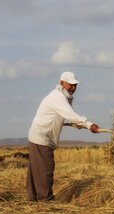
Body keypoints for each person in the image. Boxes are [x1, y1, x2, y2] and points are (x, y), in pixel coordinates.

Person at [27, 71, 99, 202]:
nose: (73, 88)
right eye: (70, 84)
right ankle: (46, 200)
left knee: (36, 169)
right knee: (45, 169)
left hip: (39, 136)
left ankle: (33, 199)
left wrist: (80, 125)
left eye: (75, 85)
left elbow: (69, 118)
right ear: (61, 83)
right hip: (42, 137)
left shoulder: (63, 97)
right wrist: (89, 125)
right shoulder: (58, 97)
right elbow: (71, 115)